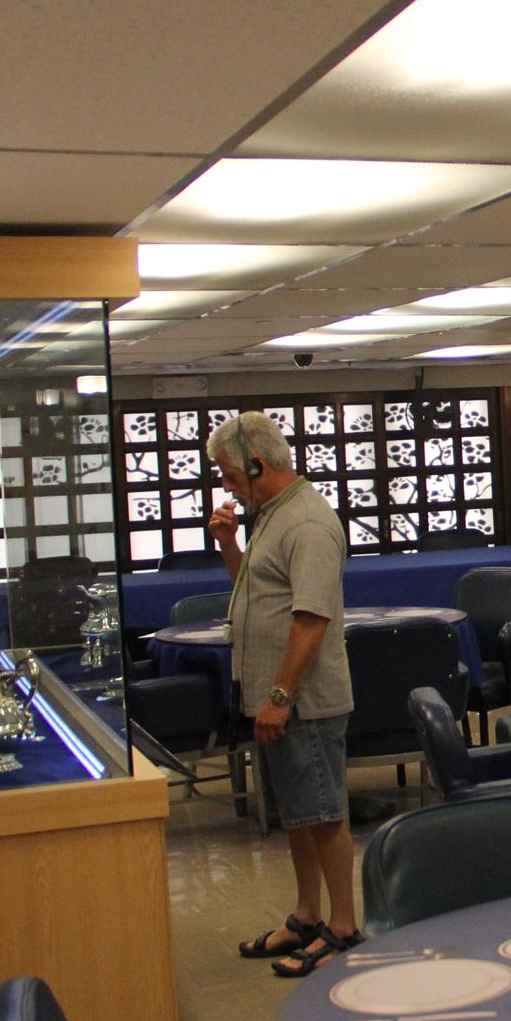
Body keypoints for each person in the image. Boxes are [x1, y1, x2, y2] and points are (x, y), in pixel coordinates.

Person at [209, 411, 360, 978]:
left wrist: (279, 695)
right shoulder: (269, 515)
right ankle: (305, 914)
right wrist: (229, 544)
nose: (227, 486)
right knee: (298, 813)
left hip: (304, 700)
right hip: (276, 697)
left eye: (229, 474)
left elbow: (311, 618)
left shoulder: (309, 523)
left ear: (257, 464)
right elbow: (254, 591)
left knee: (324, 814)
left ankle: (342, 927)